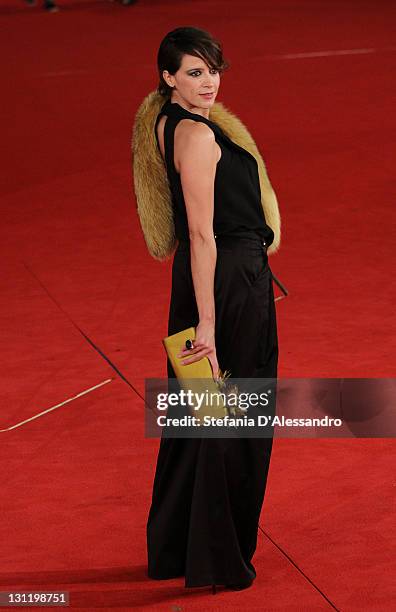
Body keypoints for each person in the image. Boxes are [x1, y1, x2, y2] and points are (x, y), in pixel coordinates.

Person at [132, 26, 281, 593]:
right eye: (194, 72)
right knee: (235, 419)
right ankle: (219, 558)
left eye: (213, 69)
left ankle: (175, 547)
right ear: (168, 77)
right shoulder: (196, 136)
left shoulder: (168, 122)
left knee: (195, 421)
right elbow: (200, 234)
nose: (209, 81)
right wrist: (209, 325)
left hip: (214, 279)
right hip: (226, 286)